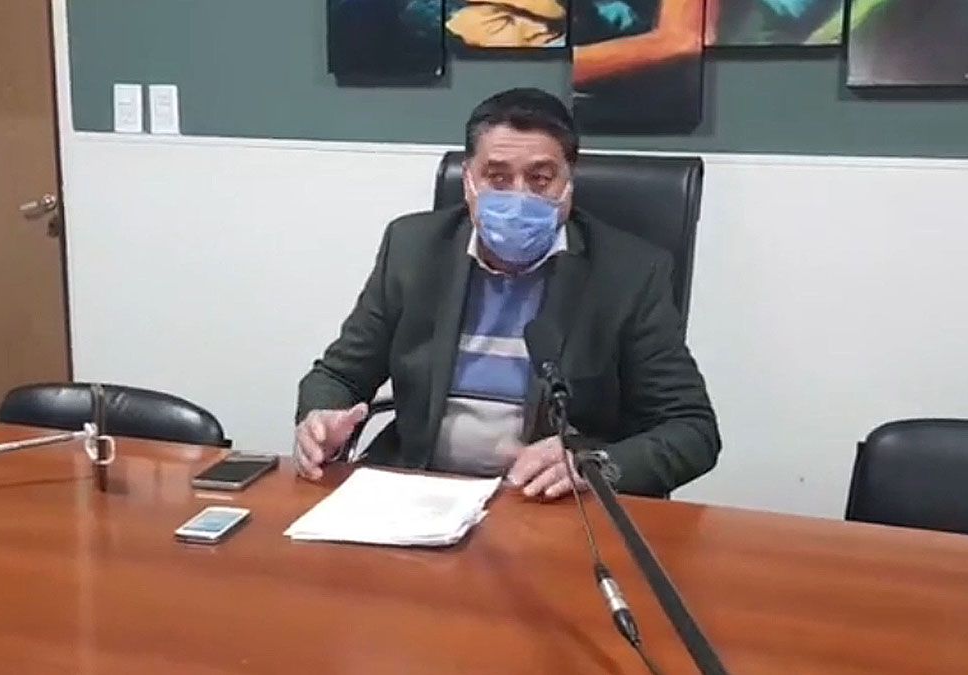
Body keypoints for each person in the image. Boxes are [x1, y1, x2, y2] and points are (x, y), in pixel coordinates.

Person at [293, 88, 720, 499]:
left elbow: (692, 430)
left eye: (540, 179)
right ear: (468, 181)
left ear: (569, 183)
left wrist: (593, 465)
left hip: (545, 505)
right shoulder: (413, 248)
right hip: (421, 491)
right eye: (497, 178)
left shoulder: (629, 273)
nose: (518, 196)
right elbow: (339, 376)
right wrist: (321, 421)